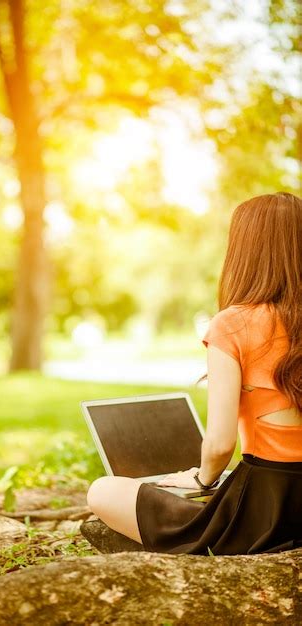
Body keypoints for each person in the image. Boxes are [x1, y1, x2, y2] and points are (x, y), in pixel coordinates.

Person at [85, 191, 302, 555]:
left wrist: (201, 479)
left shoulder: (233, 324)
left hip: (263, 514)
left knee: (103, 490)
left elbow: (219, 445)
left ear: (244, 251)